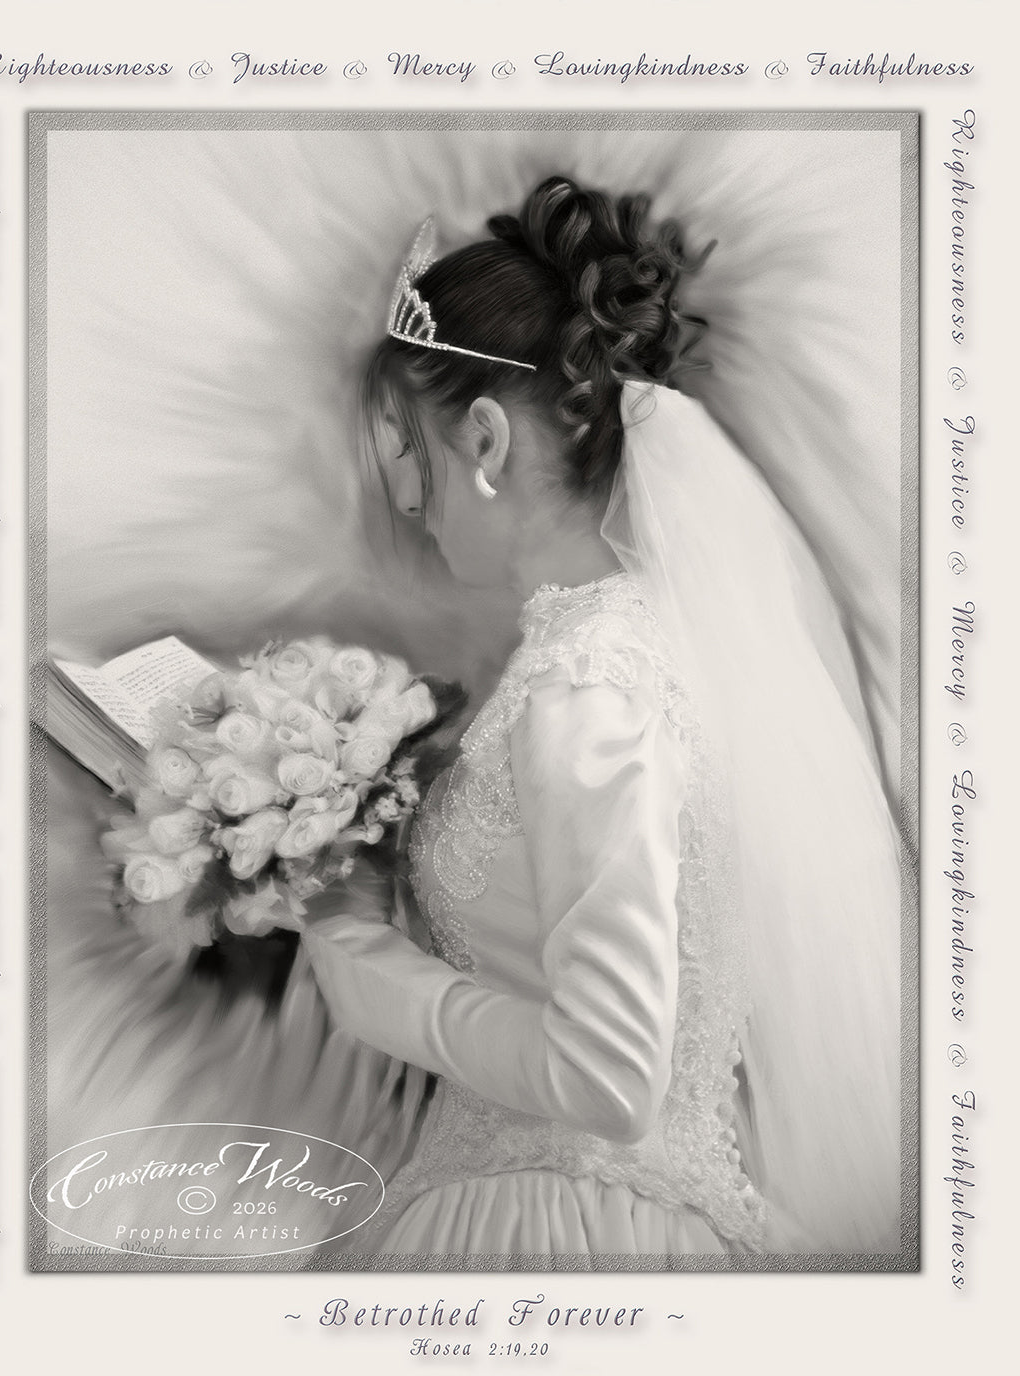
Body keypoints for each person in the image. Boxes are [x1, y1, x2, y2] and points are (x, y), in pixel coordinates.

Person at [288, 176, 903, 1259]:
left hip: (553, 1233)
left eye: (404, 447)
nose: (407, 502)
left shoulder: (589, 688)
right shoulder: (631, 655)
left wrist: (352, 953)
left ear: (484, 439)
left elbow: (607, 1075)